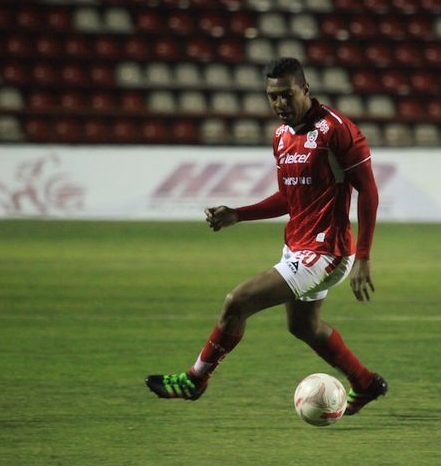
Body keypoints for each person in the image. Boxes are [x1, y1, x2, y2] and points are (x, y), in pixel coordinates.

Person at [146, 57, 387, 416]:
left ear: (305, 89)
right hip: (297, 246)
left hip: (326, 250)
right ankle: (366, 383)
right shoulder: (281, 136)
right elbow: (289, 197)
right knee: (304, 327)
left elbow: (368, 191)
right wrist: (239, 214)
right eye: (272, 97)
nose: (279, 104)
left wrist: (364, 257)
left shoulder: (337, 130)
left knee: (236, 302)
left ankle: (195, 380)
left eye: (287, 95)